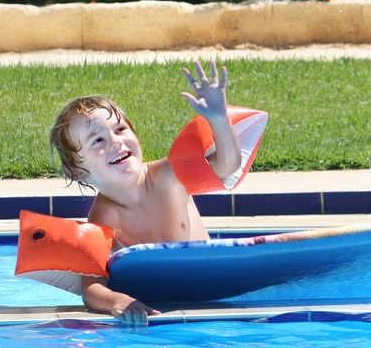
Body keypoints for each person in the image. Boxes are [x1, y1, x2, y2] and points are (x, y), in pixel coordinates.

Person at [50, 60, 241, 325]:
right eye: (98, 141)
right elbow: (92, 288)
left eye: (120, 129)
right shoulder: (102, 221)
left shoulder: (169, 176)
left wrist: (219, 119)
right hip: (157, 311)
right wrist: (117, 301)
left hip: (211, 296)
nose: (116, 141)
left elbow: (227, 166)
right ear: (77, 172)